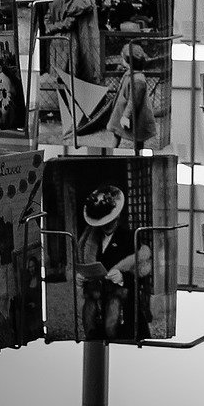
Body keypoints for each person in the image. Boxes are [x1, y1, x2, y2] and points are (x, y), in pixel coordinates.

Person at [76, 183, 151, 339]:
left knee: (123, 338)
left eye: (109, 221)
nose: (106, 225)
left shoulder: (130, 238)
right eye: (102, 222)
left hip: (124, 307)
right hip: (97, 305)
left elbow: (143, 272)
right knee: (95, 335)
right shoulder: (88, 241)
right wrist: (80, 277)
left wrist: (123, 277)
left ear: (117, 216)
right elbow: (82, 264)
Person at [107, 43, 158, 149]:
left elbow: (134, 101)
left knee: (138, 137)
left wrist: (126, 116)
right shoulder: (130, 74)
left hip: (135, 113)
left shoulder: (138, 80)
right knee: (117, 132)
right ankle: (112, 150)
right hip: (122, 108)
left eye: (123, 58)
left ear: (129, 62)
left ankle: (138, 153)